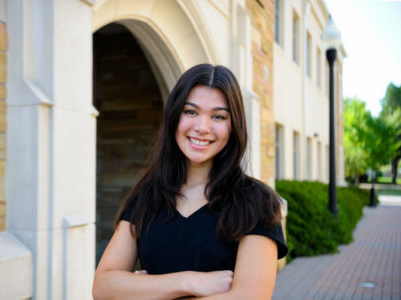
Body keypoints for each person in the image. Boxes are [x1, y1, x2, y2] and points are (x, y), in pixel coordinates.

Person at [93, 64, 288, 299]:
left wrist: (142, 290)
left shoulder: (256, 202)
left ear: (233, 126)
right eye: (191, 112)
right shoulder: (148, 195)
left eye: (218, 116)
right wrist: (189, 281)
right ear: (174, 116)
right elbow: (103, 287)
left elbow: (249, 297)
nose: (202, 128)